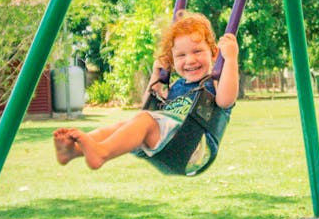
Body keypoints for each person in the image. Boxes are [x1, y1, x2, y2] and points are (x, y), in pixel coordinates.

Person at [53, 11, 239, 170]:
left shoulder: (213, 83)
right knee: (125, 125)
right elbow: (148, 107)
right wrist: (157, 74)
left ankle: (101, 153)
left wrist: (230, 59)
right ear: (172, 60)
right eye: (181, 55)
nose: (190, 60)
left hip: (193, 146)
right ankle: (74, 150)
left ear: (214, 53)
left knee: (143, 120)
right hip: (168, 142)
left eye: (197, 51)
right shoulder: (177, 86)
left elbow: (226, 101)